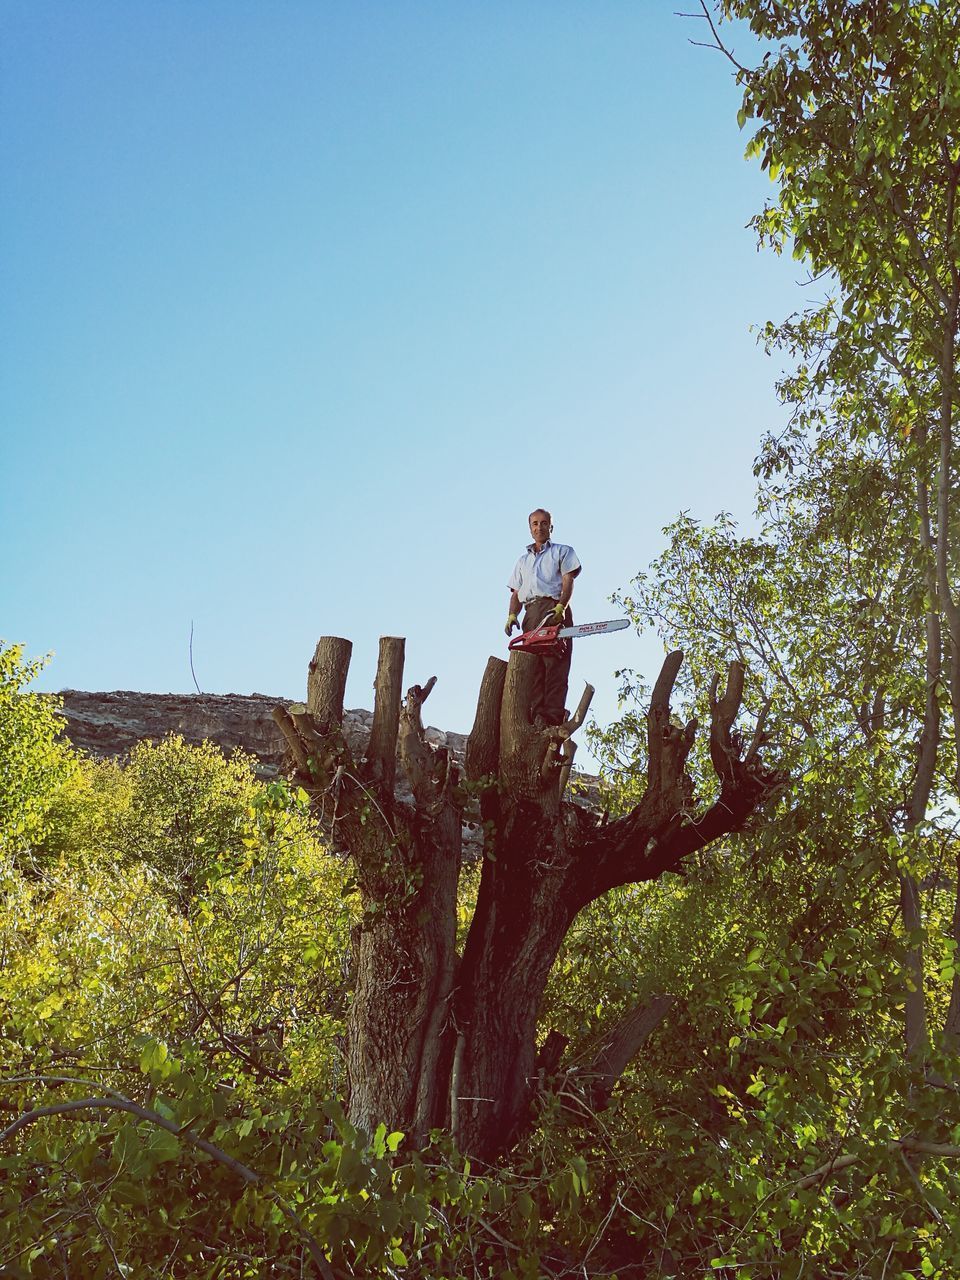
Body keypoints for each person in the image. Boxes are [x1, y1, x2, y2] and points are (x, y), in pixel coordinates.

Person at [505, 508, 581, 726]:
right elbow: (516, 593)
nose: (539, 527)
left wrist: (561, 607)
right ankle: (535, 715)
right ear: (530, 528)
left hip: (553, 608)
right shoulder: (522, 561)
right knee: (534, 667)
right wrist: (512, 615)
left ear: (551, 527)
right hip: (530, 613)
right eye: (535, 523)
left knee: (555, 665)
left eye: (544, 523)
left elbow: (568, 580)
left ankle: (552, 715)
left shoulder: (562, 552)